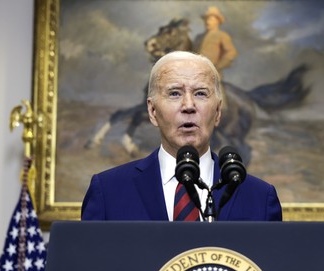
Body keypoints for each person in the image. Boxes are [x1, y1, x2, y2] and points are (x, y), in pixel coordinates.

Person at [81, 51, 281, 221]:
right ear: (152, 112)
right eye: (175, 93)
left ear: (218, 112)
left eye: (201, 93)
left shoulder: (260, 198)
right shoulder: (108, 192)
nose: (188, 106)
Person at [194, 6, 238, 78]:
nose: (207, 22)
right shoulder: (198, 37)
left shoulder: (222, 35)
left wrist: (217, 66)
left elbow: (231, 52)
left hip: (213, 76)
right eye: (206, 19)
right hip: (195, 75)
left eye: (210, 19)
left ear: (218, 21)